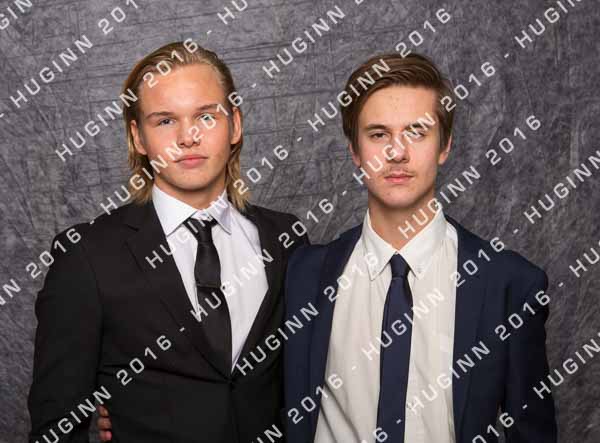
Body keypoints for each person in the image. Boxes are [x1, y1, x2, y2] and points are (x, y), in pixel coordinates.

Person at [28, 41, 307, 443]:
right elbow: (57, 425)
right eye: (164, 121)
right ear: (138, 137)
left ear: (235, 124)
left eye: (206, 116)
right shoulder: (87, 256)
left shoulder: (286, 240)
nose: (187, 137)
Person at [283, 53, 557, 443]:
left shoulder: (509, 285)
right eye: (378, 134)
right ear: (355, 151)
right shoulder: (302, 276)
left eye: (417, 132)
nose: (397, 152)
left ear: (444, 145)